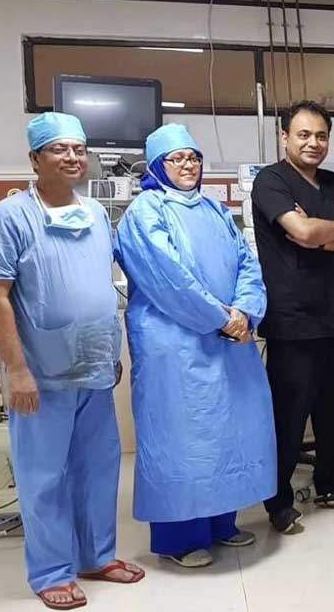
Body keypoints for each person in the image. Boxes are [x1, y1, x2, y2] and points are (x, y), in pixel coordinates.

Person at [0, 113, 144, 610]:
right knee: (44, 475)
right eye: (59, 149)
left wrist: (109, 353)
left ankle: (96, 556)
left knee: (98, 468)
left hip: (94, 366)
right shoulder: (10, 217)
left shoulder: (95, 214)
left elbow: (97, 286)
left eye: (79, 148)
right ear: (35, 159)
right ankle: (51, 571)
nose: (73, 157)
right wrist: (17, 370)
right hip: (41, 372)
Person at [114, 124, 277, 568]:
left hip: (230, 339)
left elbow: (247, 263)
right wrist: (222, 318)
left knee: (229, 431)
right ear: (156, 166)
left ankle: (222, 523)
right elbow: (168, 278)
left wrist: (246, 310)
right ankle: (179, 538)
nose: (188, 165)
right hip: (175, 345)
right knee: (183, 438)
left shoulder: (215, 210)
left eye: (194, 157)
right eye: (177, 158)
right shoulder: (145, 212)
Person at [252, 101, 334, 532]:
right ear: (284, 136)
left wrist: (322, 236)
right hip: (294, 319)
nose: (313, 143)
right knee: (289, 414)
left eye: (321, 136)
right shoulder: (271, 181)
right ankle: (278, 501)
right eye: (304, 134)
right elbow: (301, 230)